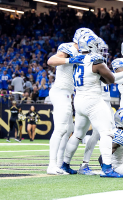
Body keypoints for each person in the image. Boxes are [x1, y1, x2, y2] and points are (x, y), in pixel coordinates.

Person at [61, 34, 123, 178]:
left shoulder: (77, 59)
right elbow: (112, 79)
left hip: (79, 100)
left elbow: (105, 79)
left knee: (77, 135)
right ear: (91, 46)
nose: (99, 49)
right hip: (93, 100)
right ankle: (107, 168)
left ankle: (65, 164)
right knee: (107, 133)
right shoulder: (96, 61)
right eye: (96, 45)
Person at [46, 28, 91, 175]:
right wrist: (69, 59)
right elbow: (51, 60)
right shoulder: (69, 48)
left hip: (67, 93)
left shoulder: (84, 52)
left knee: (68, 129)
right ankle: (52, 165)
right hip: (60, 91)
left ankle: (59, 165)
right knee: (60, 129)